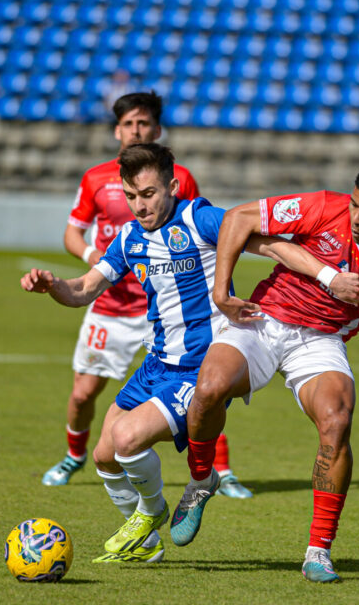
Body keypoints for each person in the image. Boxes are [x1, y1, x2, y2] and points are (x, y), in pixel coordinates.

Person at [21, 143, 359, 563]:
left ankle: (153, 511)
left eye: (148, 194)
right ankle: (144, 548)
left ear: (172, 186)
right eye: (131, 197)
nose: (140, 206)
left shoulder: (197, 218)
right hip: (156, 363)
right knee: (104, 456)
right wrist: (52, 286)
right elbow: (85, 289)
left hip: (199, 366)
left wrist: (327, 276)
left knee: (126, 441)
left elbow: (270, 245)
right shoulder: (129, 239)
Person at [171, 162, 359, 583]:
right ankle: (202, 479)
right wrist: (221, 292)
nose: (356, 218)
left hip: (321, 340)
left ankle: (318, 550)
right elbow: (239, 218)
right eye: (355, 205)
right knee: (208, 389)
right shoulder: (323, 207)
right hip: (263, 319)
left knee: (337, 422)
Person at [43, 91, 252, 499]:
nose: (140, 204)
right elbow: (77, 245)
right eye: (128, 124)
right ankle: (75, 457)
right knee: (89, 399)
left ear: (156, 131)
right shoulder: (96, 181)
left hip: (169, 312)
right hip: (111, 303)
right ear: (117, 129)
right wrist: (92, 264)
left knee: (192, 400)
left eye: (143, 124)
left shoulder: (185, 192)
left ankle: (216, 472)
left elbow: (213, 235)